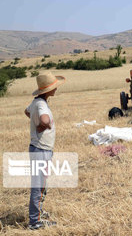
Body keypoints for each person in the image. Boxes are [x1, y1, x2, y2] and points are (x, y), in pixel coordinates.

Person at [24, 72, 65, 230]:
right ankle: (35, 222)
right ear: (47, 90)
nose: (56, 89)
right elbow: (44, 119)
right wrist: (42, 125)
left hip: (39, 148)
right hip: (41, 150)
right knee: (39, 186)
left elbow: (26, 111)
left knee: (41, 184)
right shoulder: (41, 105)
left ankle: (38, 213)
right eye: (54, 87)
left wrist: (35, 123)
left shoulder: (36, 102)